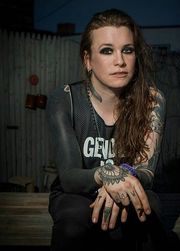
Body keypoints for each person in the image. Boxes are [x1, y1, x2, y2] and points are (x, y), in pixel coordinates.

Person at [47, 8, 167, 251]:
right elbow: (69, 176)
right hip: (77, 194)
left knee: (146, 213)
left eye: (128, 50)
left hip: (132, 188)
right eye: (107, 51)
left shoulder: (152, 100)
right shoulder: (65, 98)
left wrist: (121, 180)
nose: (120, 61)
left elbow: (147, 173)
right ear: (88, 60)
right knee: (73, 222)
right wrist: (107, 175)